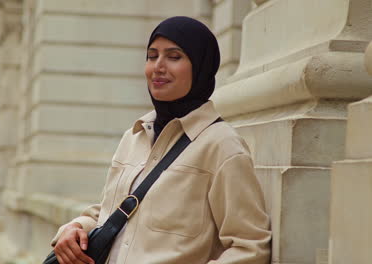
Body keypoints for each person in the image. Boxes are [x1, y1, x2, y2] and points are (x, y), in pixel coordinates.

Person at [50, 16, 271, 264]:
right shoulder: (134, 136)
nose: (158, 66)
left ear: (201, 66)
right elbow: (111, 212)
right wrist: (75, 227)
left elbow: (250, 247)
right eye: (152, 56)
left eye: (174, 57)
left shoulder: (222, 145)